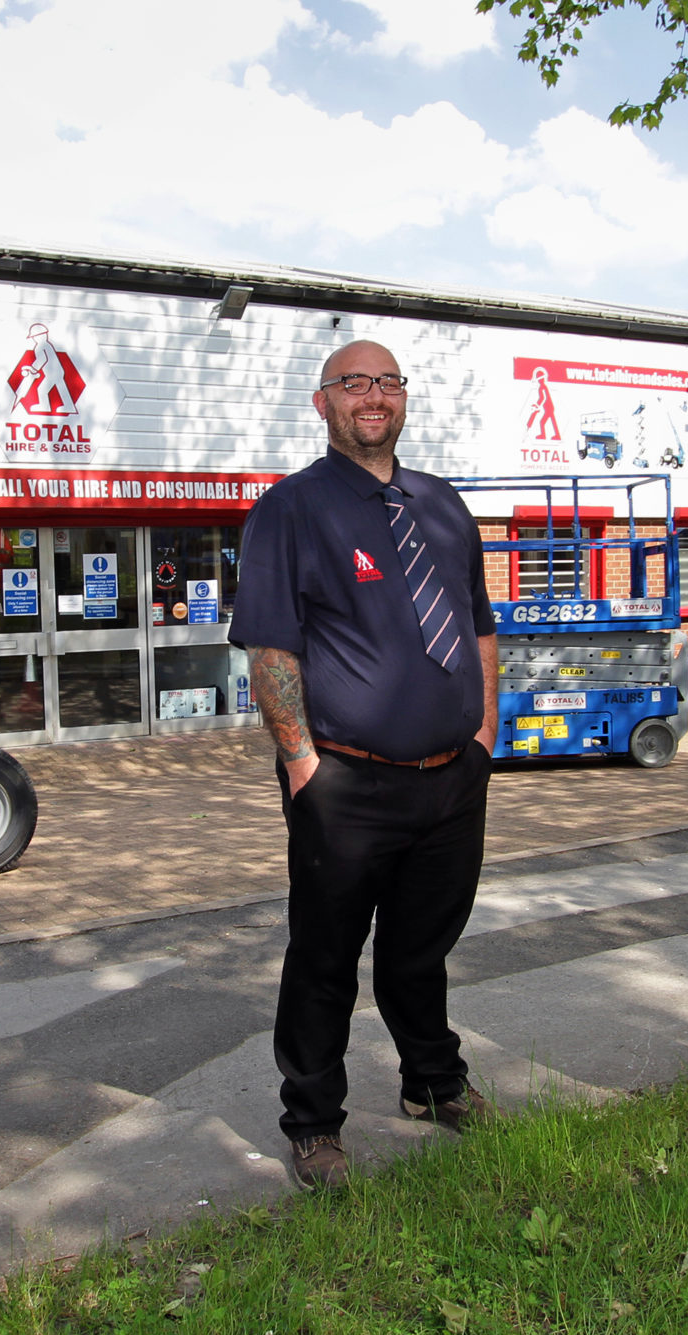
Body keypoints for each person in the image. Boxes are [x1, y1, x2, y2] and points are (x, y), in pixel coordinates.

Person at [229, 339, 502, 1191]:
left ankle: (432, 1082)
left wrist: (484, 738)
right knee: (323, 958)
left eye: (386, 382)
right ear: (323, 404)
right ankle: (313, 1122)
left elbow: (479, 627)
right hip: (345, 783)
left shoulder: (445, 506)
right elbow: (272, 648)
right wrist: (303, 762)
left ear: (403, 398)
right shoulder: (291, 510)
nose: (373, 396)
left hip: (452, 778)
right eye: (354, 383)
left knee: (424, 948)